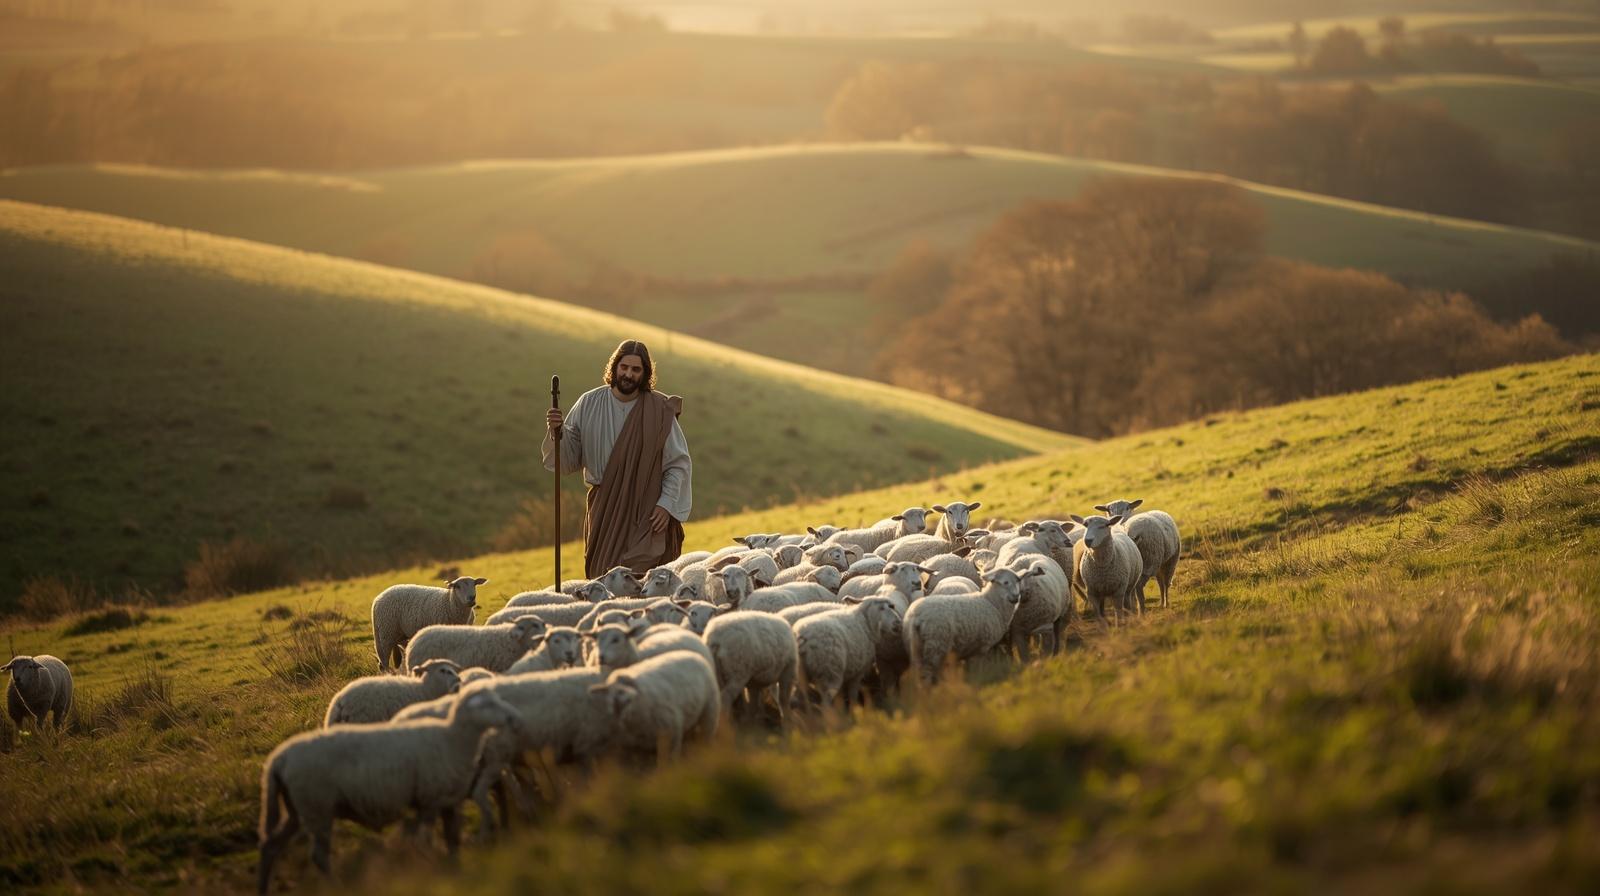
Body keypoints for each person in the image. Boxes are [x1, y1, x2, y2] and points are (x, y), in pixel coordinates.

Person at [543, 339, 691, 577]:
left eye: (636, 370)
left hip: (647, 508)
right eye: (624, 367)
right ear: (614, 368)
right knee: (603, 574)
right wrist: (556, 432)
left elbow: (678, 463)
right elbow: (568, 459)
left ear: (645, 374)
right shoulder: (589, 403)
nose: (628, 374)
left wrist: (666, 504)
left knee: (643, 574)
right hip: (605, 507)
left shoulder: (659, 409)